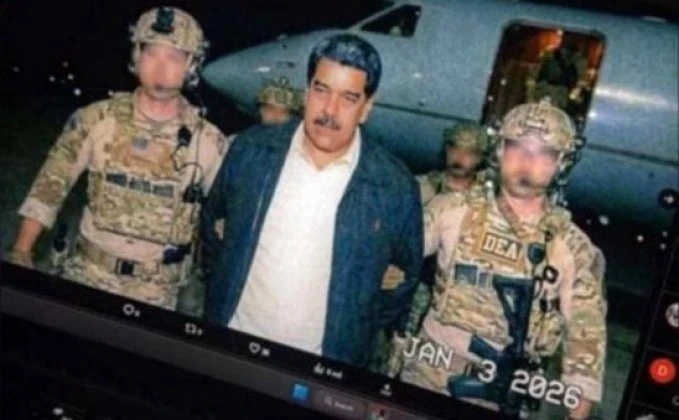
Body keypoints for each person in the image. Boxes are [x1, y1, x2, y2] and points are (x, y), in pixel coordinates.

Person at [201, 33, 422, 368]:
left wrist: (351, 327)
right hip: (233, 348)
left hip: (319, 368)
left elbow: (401, 285)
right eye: (321, 90)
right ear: (306, 92)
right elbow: (213, 232)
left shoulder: (394, 186)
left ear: (366, 108)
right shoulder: (251, 152)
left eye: (348, 98)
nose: (329, 110)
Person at [390, 99, 606, 419]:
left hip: (504, 393)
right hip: (427, 378)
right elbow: (389, 256)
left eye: (543, 152)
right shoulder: (452, 210)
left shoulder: (572, 249)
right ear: (500, 151)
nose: (526, 160)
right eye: (517, 146)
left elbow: (585, 347)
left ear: (561, 163)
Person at [8, 7, 229, 311]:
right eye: (151, 53)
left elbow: (223, 220)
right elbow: (51, 186)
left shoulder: (209, 141)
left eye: (174, 57)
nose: (160, 66)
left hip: (156, 292)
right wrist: (22, 251)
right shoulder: (95, 119)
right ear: (137, 56)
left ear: (191, 66)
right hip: (87, 276)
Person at [418, 122, 490, 205]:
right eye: (454, 149)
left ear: (480, 158)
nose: (459, 157)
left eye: (469, 153)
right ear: (446, 150)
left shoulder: (486, 197)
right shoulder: (423, 187)